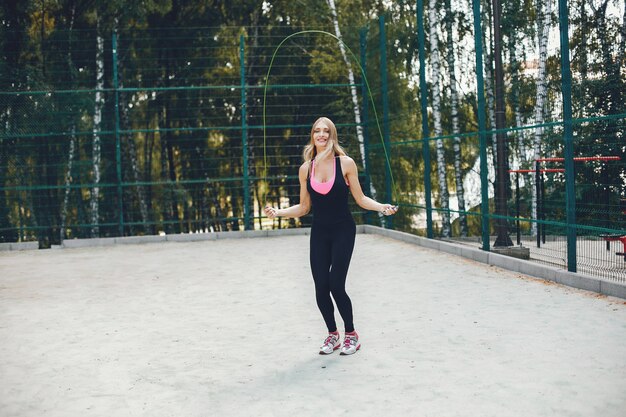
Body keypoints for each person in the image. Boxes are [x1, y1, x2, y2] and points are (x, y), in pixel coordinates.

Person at [264, 117, 397, 355]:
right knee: (320, 286)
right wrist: (279, 212)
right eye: (317, 131)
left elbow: (361, 199)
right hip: (320, 232)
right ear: (312, 135)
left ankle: (351, 335)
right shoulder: (306, 169)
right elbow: (304, 207)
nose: (322, 135)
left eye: (326, 131)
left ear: (332, 135)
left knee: (336, 283)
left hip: (343, 229)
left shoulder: (345, 164)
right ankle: (332, 335)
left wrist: (381, 207)